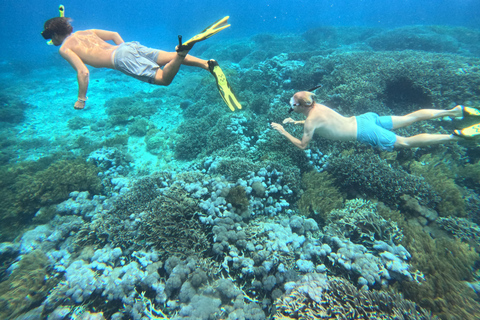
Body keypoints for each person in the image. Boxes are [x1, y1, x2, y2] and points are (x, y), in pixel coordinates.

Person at [41, 17, 221, 110]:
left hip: (120, 58)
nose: (50, 41)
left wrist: (81, 99)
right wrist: (125, 50)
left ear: (56, 35)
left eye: (48, 37)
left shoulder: (64, 49)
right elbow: (113, 34)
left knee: (163, 79)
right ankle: (207, 64)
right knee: (167, 56)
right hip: (128, 47)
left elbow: (83, 72)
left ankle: (181, 54)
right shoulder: (86, 32)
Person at [270, 91, 480, 151]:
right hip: (365, 118)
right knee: (410, 118)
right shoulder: (317, 107)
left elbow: (303, 145)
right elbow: (322, 124)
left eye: (293, 105)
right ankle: (453, 112)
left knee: (405, 142)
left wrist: (282, 130)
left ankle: (454, 137)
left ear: (301, 106)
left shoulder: (310, 121)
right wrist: (294, 123)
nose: (292, 107)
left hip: (364, 131)